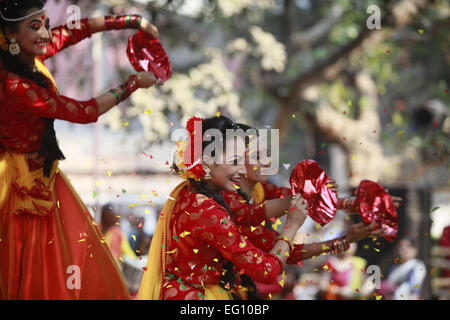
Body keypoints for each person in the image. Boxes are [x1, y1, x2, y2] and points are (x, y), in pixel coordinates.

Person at [0, 0, 158, 299]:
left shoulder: (32, 54)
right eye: (36, 27)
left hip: (43, 177)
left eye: (46, 24)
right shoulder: (14, 87)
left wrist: (134, 22)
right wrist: (132, 84)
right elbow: (84, 112)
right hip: (17, 188)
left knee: (66, 262)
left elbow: (80, 29)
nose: (46, 33)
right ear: (11, 34)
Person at [136, 115, 309, 300]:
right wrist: (291, 227)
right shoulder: (208, 212)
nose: (242, 170)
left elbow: (249, 214)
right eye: (235, 162)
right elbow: (265, 270)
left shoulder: (188, 194)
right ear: (207, 161)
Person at [220, 123, 383, 299]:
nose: (267, 161)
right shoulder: (229, 203)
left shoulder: (261, 190)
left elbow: (287, 248)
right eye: (257, 156)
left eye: (267, 154)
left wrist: (359, 206)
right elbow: (272, 257)